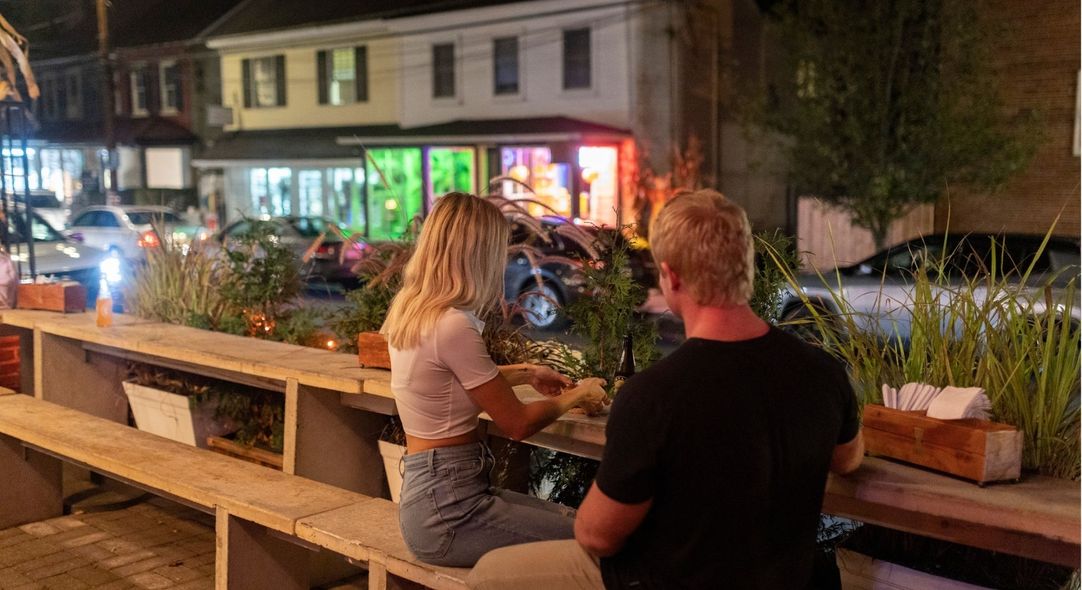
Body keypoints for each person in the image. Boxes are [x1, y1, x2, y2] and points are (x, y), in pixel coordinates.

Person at [468, 189, 864, 589]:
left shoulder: (654, 396)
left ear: (672, 276)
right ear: (744, 265)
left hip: (664, 580)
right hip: (787, 579)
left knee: (488, 575)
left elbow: (597, 537)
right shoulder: (823, 373)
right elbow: (848, 461)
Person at [381, 192, 607, 568]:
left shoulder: (412, 310)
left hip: (434, 498)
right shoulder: (452, 325)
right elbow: (517, 424)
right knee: (593, 540)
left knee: (574, 522)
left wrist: (527, 372)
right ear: (477, 252)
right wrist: (578, 394)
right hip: (451, 513)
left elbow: (447, 378)